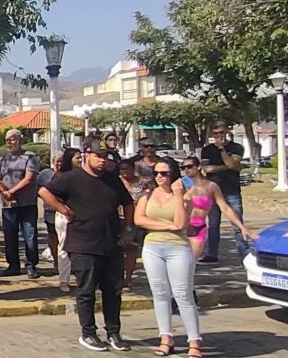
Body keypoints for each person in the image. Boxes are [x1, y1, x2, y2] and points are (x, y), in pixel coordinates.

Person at [39, 137, 135, 352]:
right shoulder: (71, 178)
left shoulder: (111, 179)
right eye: (98, 156)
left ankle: (113, 332)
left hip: (111, 242)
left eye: (105, 156)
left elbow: (128, 203)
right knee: (87, 291)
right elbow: (44, 192)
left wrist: (128, 229)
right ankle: (88, 333)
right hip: (83, 244)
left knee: (113, 291)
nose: (102, 160)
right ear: (86, 155)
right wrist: (64, 210)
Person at [133, 158, 201, 357]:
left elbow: (181, 223)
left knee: (183, 294)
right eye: (156, 173)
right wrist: (167, 226)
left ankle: (194, 341)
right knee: (160, 293)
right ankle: (166, 337)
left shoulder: (185, 196)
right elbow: (139, 219)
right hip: (152, 247)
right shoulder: (148, 194)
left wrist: (178, 194)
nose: (160, 177)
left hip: (177, 248)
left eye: (164, 173)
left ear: (174, 175)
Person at [179, 156, 252, 261]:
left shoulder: (211, 186)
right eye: (183, 167)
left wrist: (242, 227)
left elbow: (225, 208)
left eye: (189, 166)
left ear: (198, 167)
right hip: (181, 228)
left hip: (197, 229)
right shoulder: (181, 185)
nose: (186, 169)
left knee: (190, 262)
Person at [0, 129, 41, 279]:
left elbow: (29, 178)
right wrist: (5, 193)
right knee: (10, 236)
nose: (9, 142)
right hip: (8, 205)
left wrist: (11, 192)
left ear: (20, 140)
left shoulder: (30, 157)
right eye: (7, 140)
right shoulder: (2, 159)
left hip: (27, 204)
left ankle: (31, 266)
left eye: (12, 139)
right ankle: (13, 265)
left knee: (30, 236)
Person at [199, 122, 248, 264]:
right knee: (213, 225)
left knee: (237, 223)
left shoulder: (236, 147)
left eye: (221, 132)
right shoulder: (207, 150)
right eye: (215, 133)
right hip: (213, 191)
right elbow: (207, 169)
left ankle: (244, 253)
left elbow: (233, 164)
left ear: (226, 132)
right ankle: (212, 254)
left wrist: (222, 150)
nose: (218, 136)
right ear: (212, 134)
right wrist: (228, 166)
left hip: (231, 190)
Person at [37, 151, 72, 292]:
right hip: (56, 213)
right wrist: (61, 207)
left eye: (61, 161)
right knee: (57, 241)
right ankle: (62, 274)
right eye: (57, 161)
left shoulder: (74, 174)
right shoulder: (47, 174)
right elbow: (41, 191)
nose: (59, 163)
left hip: (73, 214)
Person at [119, 157, 146, 291]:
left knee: (132, 249)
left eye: (126, 169)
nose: (124, 172)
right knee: (117, 250)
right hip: (117, 219)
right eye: (121, 169)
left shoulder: (142, 183)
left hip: (136, 219)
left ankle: (128, 278)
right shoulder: (116, 182)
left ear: (133, 169)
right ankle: (117, 277)